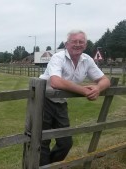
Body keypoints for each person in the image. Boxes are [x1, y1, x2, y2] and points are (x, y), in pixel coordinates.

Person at [38, 30, 110, 166]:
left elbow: (105, 80)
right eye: (74, 41)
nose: (77, 44)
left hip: (61, 102)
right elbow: (56, 82)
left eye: (81, 42)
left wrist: (97, 88)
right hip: (43, 100)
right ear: (67, 44)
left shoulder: (87, 60)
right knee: (42, 142)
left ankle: (51, 166)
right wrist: (84, 91)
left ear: (85, 44)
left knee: (65, 143)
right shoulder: (58, 57)